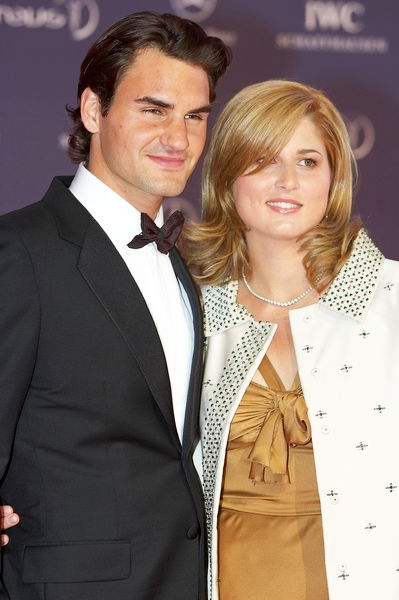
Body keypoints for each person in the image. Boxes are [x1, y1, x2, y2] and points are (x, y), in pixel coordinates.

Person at [0, 11, 230, 599]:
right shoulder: (20, 251)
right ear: (95, 110)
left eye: (195, 116)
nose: (179, 138)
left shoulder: (186, 266)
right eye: (154, 110)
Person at [182, 80, 399, 599]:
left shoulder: (389, 297)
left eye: (307, 162)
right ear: (228, 176)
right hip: (225, 581)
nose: (287, 182)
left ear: (333, 179)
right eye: (262, 160)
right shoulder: (187, 308)